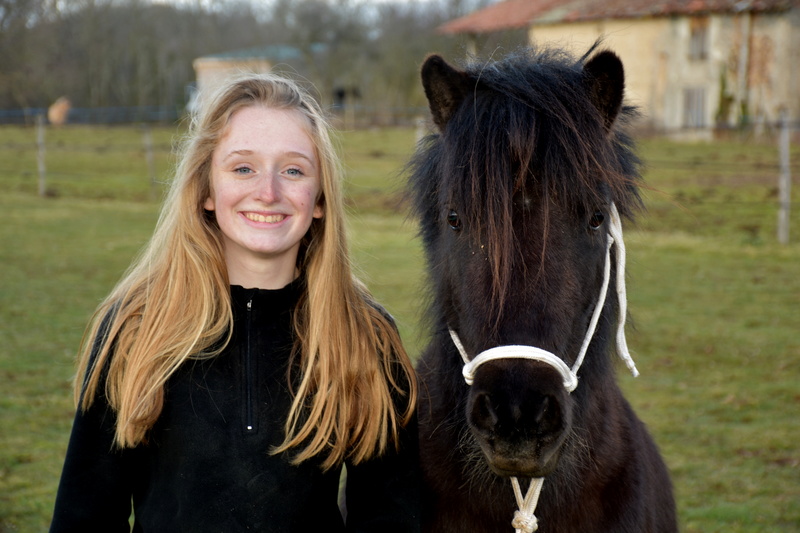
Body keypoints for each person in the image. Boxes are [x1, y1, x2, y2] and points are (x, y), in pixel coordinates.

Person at [49, 73, 420, 532]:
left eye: (293, 170)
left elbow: (390, 516)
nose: (268, 191)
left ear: (320, 198)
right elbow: (84, 517)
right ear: (206, 190)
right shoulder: (135, 328)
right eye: (243, 168)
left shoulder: (365, 337)